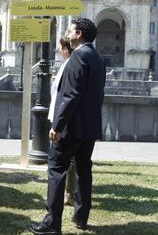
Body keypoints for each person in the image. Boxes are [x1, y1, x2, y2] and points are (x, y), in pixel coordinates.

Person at [29, 18, 106, 234]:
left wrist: (58, 125)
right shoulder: (98, 58)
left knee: (56, 169)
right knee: (83, 169)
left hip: (72, 127)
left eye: (70, 30)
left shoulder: (78, 56)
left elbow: (71, 95)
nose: (67, 33)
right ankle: (81, 216)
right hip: (90, 126)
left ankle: (52, 223)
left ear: (79, 33)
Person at [48, 37, 76, 207]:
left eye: (60, 48)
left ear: (66, 49)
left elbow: (68, 95)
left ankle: (68, 193)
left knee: (64, 160)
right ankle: (68, 192)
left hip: (63, 120)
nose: (58, 51)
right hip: (60, 117)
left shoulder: (72, 64)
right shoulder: (67, 64)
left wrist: (58, 125)